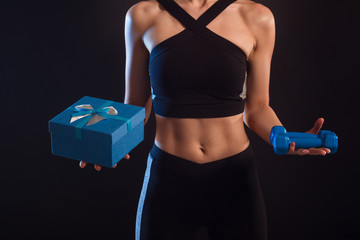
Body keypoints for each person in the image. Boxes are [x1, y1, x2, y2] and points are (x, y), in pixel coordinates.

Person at [80, 0, 331, 239]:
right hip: (168, 179)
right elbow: (135, 106)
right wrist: (107, 141)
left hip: (235, 181)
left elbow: (257, 108)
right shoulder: (142, 15)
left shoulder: (257, 17)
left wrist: (282, 137)